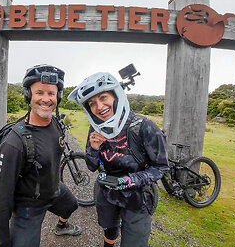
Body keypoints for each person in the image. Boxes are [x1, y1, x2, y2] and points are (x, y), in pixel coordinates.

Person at [68, 72, 169, 247]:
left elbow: (160, 167)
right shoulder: (96, 129)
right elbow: (92, 166)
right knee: (108, 227)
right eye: (92, 103)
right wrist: (93, 149)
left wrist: (133, 179)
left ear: (116, 95)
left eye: (103, 97)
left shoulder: (144, 126)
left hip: (137, 197)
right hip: (107, 193)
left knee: (134, 241)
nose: (99, 106)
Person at [0, 64, 82, 247]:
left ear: (58, 97)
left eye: (51, 94)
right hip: (28, 207)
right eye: (39, 92)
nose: (46, 99)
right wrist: (1, 242)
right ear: (28, 95)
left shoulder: (56, 123)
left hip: (54, 189)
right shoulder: (13, 143)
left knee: (72, 205)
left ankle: (62, 227)